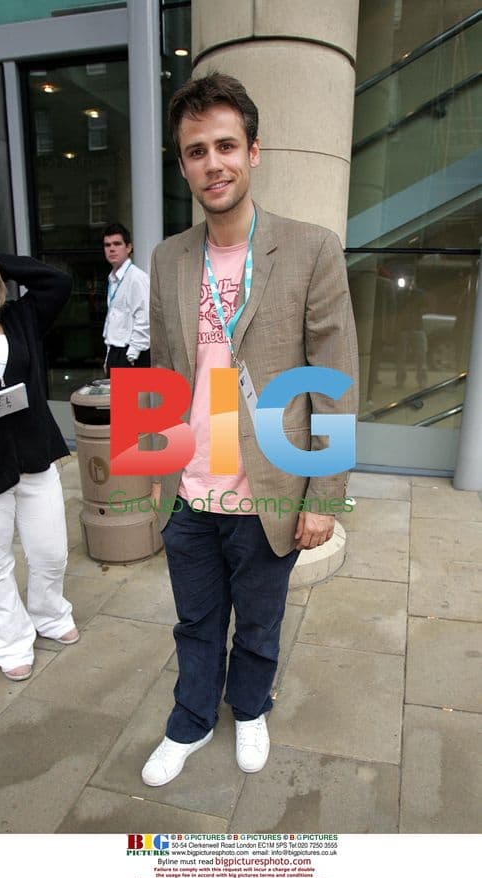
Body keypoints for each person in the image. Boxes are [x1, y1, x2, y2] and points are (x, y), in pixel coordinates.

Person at [142, 73, 358, 786]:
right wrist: (152, 480)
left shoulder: (311, 248)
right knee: (195, 621)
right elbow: (162, 371)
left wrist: (323, 498)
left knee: (260, 623)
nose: (214, 163)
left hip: (270, 490)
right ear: (183, 165)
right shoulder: (168, 257)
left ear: (253, 151)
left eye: (226, 145)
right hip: (190, 491)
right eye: (196, 151)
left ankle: (251, 708)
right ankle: (191, 718)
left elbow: (333, 379)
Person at [0, 247, 78, 682]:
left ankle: (50, 613)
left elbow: (58, 282)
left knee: (51, 551)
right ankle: (10, 641)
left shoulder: (20, 317)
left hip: (35, 456)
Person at [102, 223, 150, 375]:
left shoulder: (136, 278)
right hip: (115, 352)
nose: (111, 249)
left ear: (128, 248)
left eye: (117, 244)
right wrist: (108, 356)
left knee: (131, 393)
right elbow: (113, 321)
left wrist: (131, 356)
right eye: (107, 245)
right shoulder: (113, 279)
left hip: (131, 355)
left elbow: (145, 318)